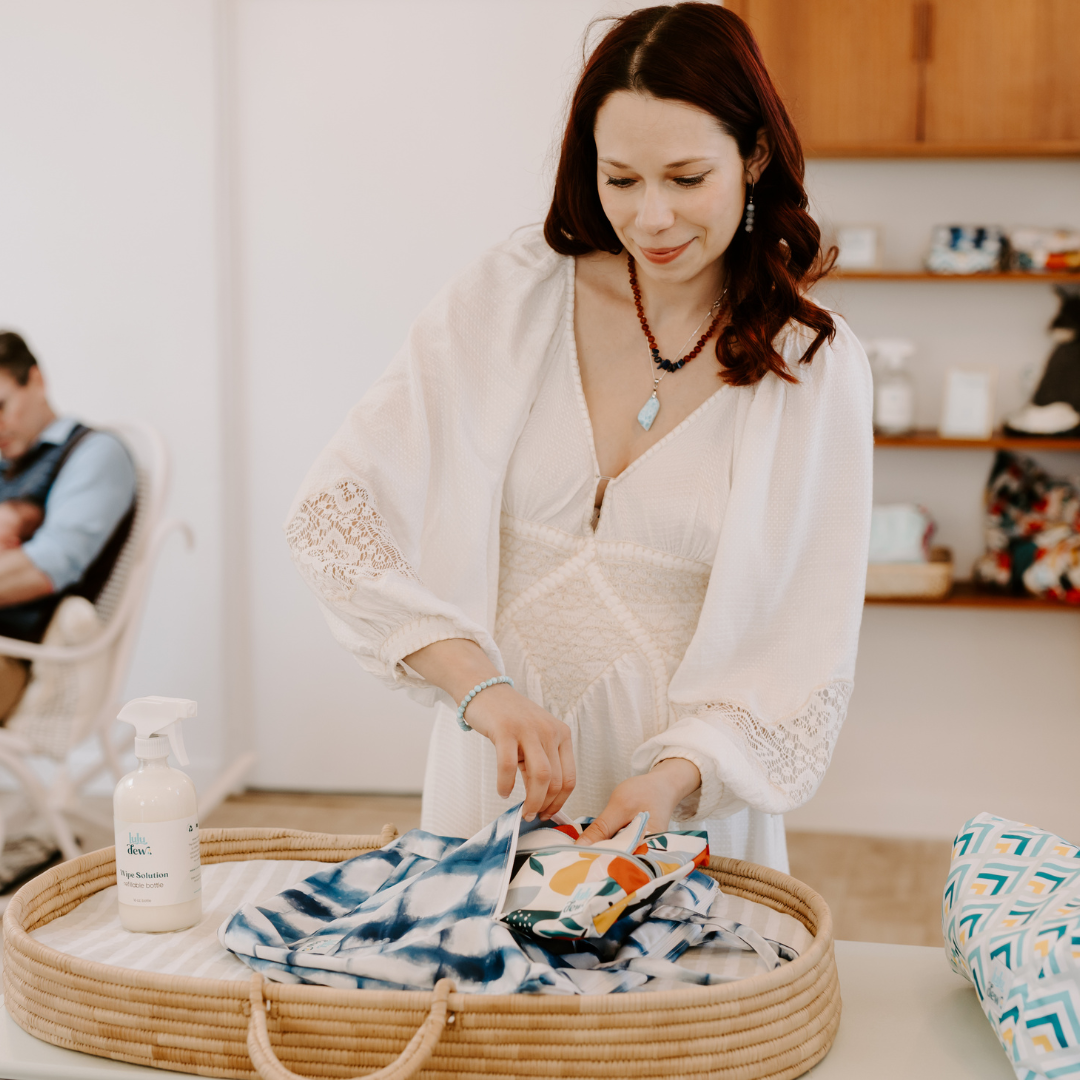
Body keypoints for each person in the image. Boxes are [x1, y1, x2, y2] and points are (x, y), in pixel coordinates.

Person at [286, 3, 872, 871]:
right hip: (493, 779)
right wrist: (480, 688)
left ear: (752, 157)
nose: (653, 219)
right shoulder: (513, 294)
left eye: (685, 177)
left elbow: (801, 654)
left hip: (675, 813)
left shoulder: (811, 364)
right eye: (621, 179)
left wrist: (673, 780)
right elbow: (334, 514)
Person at [0, 331, 137, 718]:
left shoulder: (94, 454)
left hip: (14, 654)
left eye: (2, 405)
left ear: (37, 380)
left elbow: (47, 564)